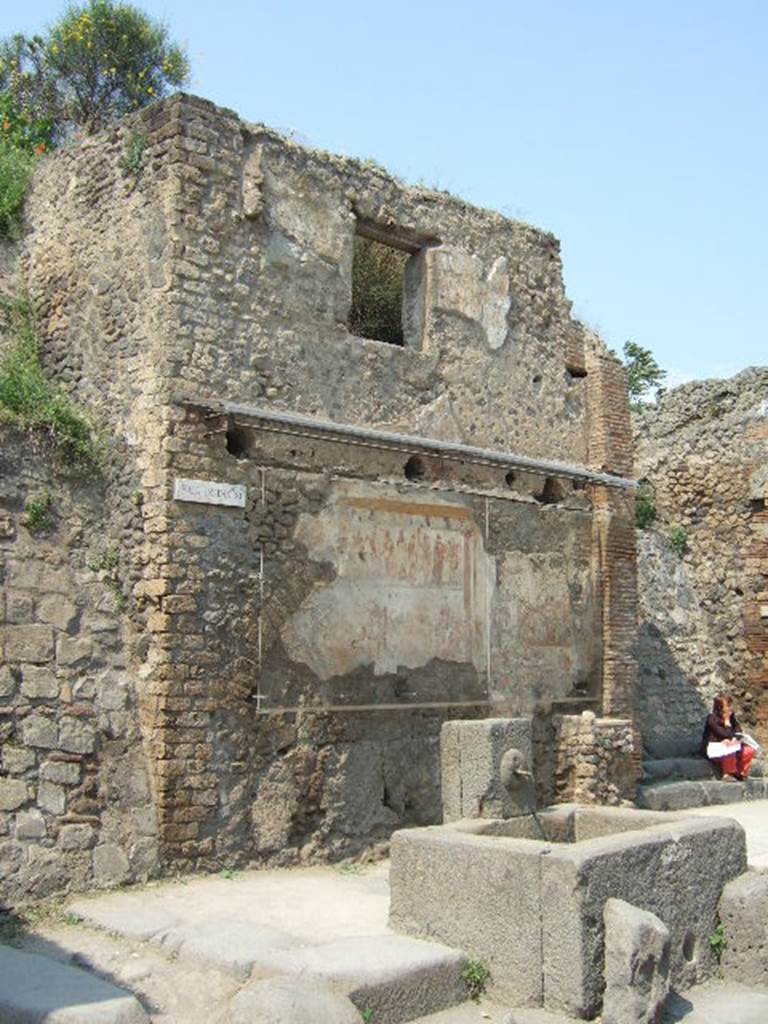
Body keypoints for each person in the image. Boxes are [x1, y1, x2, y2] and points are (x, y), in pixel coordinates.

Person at [702, 694, 755, 781]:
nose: (730, 708)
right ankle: (727, 773)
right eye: (728, 705)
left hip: (730, 744)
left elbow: (738, 731)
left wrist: (735, 739)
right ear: (720, 707)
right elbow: (722, 734)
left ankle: (740, 773)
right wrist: (727, 724)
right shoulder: (711, 719)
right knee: (730, 749)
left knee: (748, 750)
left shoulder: (732, 718)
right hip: (713, 748)